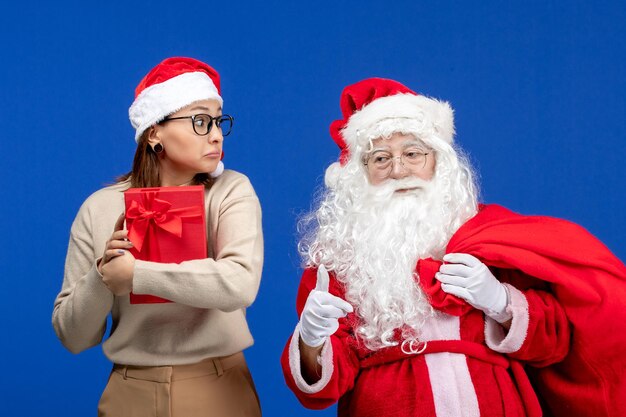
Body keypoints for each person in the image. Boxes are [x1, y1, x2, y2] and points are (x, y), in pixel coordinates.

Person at [280, 78, 626, 417]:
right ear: (361, 173)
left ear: (438, 161)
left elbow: (554, 344)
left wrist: (502, 302)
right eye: (381, 158)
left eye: (413, 153)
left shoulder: (489, 236)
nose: (399, 170)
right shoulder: (339, 257)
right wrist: (311, 340)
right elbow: (321, 390)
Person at [53, 57, 263, 417]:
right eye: (200, 121)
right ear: (154, 132)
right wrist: (103, 276)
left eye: (217, 121)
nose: (215, 134)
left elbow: (240, 284)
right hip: (129, 394)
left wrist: (136, 274)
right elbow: (74, 337)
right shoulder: (100, 208)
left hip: (218, 388)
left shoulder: (231, 191)